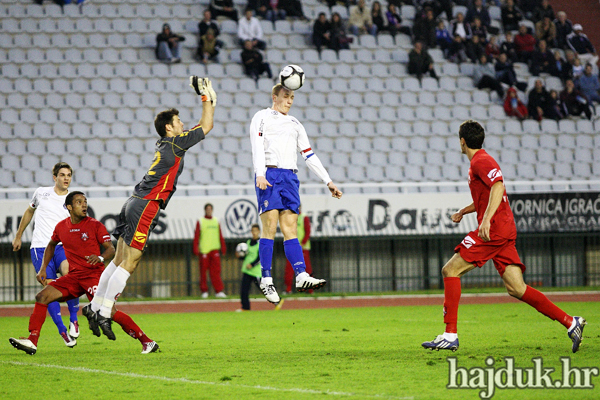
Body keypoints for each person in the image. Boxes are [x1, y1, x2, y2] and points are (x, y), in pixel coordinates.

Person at [421, 120, 586, 353]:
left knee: (450, 270)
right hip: (503, 230)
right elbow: (487, 195)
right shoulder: (479, 162)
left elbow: (498, 186)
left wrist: (486, 219)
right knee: (517, 288)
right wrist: (464, 211)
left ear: (462, 141)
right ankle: (571, 322)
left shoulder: (481, 161)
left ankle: (450, 334)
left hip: (495, 231)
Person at [83, 77, 216, 340]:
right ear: (169, 127)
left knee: (119, 259)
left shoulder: (165, 144)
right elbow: (207, 125)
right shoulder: (176, 143)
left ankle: (94, 306)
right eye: (178, 122)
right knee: (131, 262)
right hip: (147, 204)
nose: (182, 124)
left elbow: (199, 126)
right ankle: (105, 312)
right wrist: (207, 98)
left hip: (133, 201)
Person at [9, 192, 159, 355]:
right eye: (79, 202)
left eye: (85, 202)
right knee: (42, 297)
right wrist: (43, 268)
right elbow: (51, 245)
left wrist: (101, 257)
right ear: (69, 207)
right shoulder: (61, 227)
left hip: (94, 276)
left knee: (110, 312)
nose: (84, 205)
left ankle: (147, 342)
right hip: (73, 277)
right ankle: (32, 340)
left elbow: (111, 249)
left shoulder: (94, 225)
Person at [249, 83, 343, 305]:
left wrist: (327, 180)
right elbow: (257, 145)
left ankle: (301, 275)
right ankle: (266, 277)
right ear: (275, 96)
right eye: (286, 96)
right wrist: (260, 173)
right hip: (269, 174)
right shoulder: (262, 117)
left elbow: (308, 154)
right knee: (270, 226)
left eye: (292, 97)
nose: (290, 100)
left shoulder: (295, 123)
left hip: (290, 177)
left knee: (290, 227)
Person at [12, 162, 80, 348]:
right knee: (49, 289)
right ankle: (63, 332)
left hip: (61, 246)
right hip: (40, 248)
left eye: (69, 175)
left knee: (70, 274)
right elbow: (29, 211)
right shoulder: (41, 193)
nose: (66, 178)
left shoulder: (74, 200)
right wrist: (18, 236)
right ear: (55, 177)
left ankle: (74, 320)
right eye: (62, 175)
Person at [193, 203, 227, 298]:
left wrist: (223, 247)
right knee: (203, 272)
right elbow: (196, 236)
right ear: (205, 210)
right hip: (204, 250)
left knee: (216, 272)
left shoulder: (216, 221)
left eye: (210, 209)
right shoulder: (201, 221)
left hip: (214, 249)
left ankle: (218, 291)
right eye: (207, 209)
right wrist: (195, 248)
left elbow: (220, 235)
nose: (209, 210)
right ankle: (204, 291)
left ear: (212, 210)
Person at [283, 206, 311, 294]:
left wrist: (302, 243)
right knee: (289, 269)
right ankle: (288, 289)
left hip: (303, 248)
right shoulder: (289, 218)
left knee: (306, 268)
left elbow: (307, 231)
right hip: (292, 247)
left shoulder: (304, 217)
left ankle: (310, 289)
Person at [237, 224, 262, 311]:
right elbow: (246, 256)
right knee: (244, 291)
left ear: (259, 232)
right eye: (253, 231)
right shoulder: (248, 242)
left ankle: (277, 300)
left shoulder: (261, 243)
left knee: (264, 289)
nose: (254, 233)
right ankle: (245, 307)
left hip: (255, 272)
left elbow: (261, 257)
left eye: (256, 231)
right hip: (247, 271)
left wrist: (252, 264)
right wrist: (239, 256)